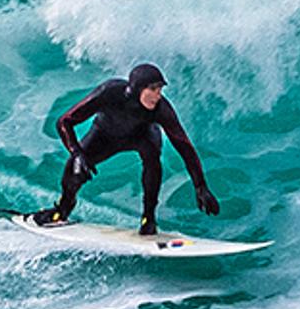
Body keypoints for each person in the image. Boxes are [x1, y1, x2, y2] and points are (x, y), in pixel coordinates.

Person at [33, 62, 219, 232]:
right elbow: (64, 122)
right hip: (104, 135)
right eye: (153, 89)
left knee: (153, 158)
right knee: (74, 169)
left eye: (160, 89)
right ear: (137, 89)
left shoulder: (162, 110)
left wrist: (200, 186)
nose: (158, 95)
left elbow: (184, 146)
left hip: (142, 137)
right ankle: (62, 210)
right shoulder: (109, 92)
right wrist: (77, 154)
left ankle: (149, 218)